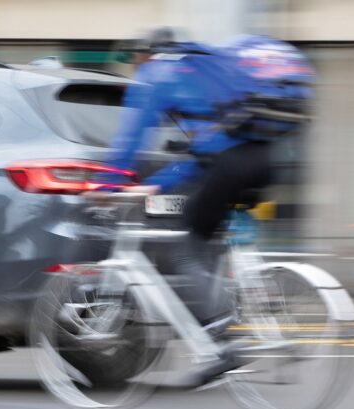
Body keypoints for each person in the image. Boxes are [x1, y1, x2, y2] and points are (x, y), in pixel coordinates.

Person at [108, 28, 313, 382]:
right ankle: (268, 317)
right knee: (220, 232)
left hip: (234, 164)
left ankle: (220, 344)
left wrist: (108, 184)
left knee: (190, 244)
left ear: (147, 54)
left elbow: (131, 138)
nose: (135, 66)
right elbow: (205, 154)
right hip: (274, 159)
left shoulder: (159, 73)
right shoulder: (214, 74)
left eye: (136, 58)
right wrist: (156, 185)